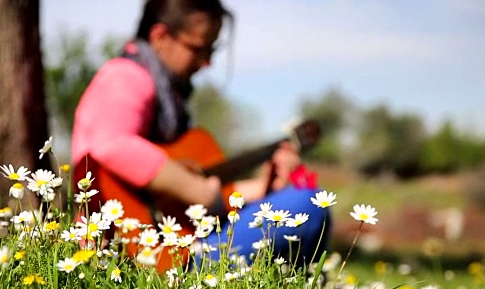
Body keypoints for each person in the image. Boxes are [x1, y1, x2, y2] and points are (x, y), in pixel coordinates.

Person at [71, 0, 331, 270]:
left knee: (299, 197)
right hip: (160, 257)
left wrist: (262, 189)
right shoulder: (125, 75)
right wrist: (196, 190)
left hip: (177, 242)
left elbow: (185, 200)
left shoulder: (168, 98)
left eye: (211, 50)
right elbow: (111, 144)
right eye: (198, 48)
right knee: (307, 204)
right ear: (160, 36)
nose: (206, 62)